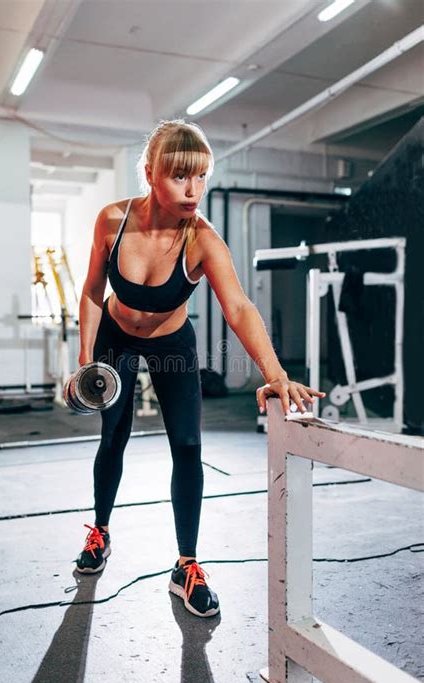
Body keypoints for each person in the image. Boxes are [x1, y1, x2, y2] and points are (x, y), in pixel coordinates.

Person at [74, 119, 325, 617]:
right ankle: (100, 531)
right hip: (116, 341)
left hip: (173, 344)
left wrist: (273, 373)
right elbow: (92, 291)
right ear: (150, 173)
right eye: (179, 177)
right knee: (113, 436)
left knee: (188, 446)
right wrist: (86, 362)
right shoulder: (111, 221)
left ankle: (185, 565)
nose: (194, 190)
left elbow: (239, 308)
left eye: (201, 177)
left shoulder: (202, 240)